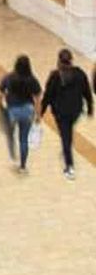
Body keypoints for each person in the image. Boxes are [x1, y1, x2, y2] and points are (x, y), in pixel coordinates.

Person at [41, 47, 93, 179]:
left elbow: (48, 95)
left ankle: (69, 166)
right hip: (75, 111)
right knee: (67, 133)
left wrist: (40, 112)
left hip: (60, 113)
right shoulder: (80, 73)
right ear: (71, 60)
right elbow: (87, 91)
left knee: (65, 137)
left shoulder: (55, 76)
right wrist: (90, 108)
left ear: (59, 60)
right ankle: (67, 149)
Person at [0, 54, 41, 172]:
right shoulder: (32, 80)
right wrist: (38, 116)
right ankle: (23, 165)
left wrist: (0, 105)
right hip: (27, 111)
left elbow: (1, 92)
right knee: (23, 139)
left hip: (13, 110)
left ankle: (12, 152)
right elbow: (37, 99)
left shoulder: (9, 77)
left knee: (10, 133)